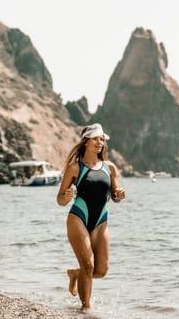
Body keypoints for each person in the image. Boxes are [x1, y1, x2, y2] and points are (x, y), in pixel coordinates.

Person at [56, 123, 126, 311]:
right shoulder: (74, 168)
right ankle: (86, 309)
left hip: (101, 221)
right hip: (78, 217)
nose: (100, 142)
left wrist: (119, 195)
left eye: (102, 139)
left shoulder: (109, 168)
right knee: (88, 265)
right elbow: (60, 200)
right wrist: (66, 196)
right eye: (96, 138)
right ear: (86, 141)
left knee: (101, 270)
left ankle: (75, 274)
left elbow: (114, 195)